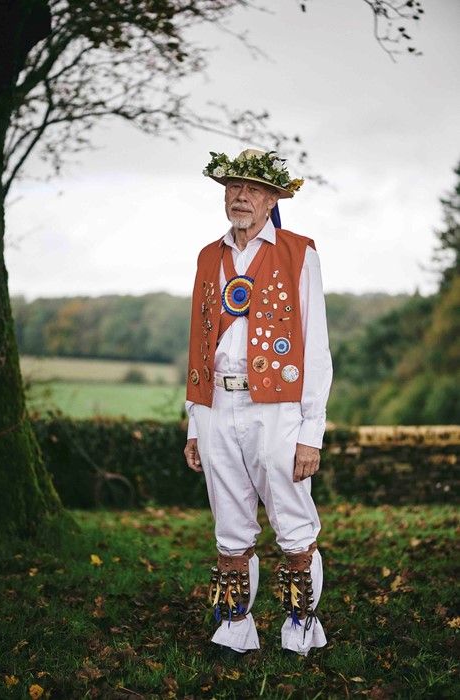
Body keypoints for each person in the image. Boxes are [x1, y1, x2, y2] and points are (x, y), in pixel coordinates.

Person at [183, 148, 333, 656]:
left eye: (252, 189)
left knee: (292, 519)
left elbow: (316, 345)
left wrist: (312, 431)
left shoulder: (298, 252)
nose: (240, 196)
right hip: (216, 406)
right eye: (233, 187)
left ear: (272, 198)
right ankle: (235, 627)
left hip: (278, 408)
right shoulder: (208, 256)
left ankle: (300, 627)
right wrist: (194, 423)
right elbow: (197, 339)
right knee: (229, 521)